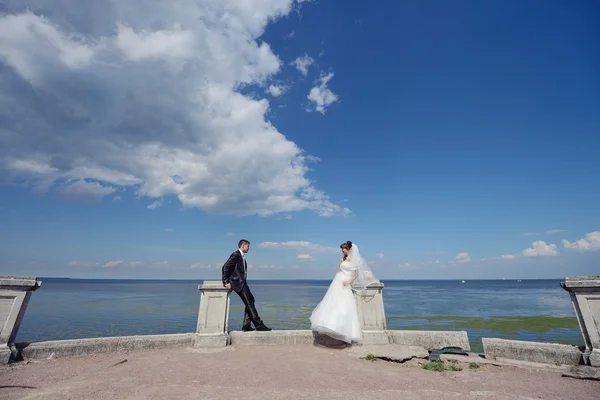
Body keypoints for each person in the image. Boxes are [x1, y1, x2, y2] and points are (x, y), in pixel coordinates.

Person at [309, 241, 378, 344]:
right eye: (342, 249)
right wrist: (333, 283)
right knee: (333, 303)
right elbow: (338, 271)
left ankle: (344, 329)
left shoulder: (355, 261)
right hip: (338, 282)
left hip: (346, 283)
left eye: (344, 249)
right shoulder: (341, 259)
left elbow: (356, 274)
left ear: (348, 249)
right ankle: (331, 325)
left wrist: (349, 281)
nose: (342, 250)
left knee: (344, 306)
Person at [222, 239, 272, 332]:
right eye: (248, 246)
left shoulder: (241, 256)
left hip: (242, 282)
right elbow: (225, 267)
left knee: (250, 301)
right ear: (243, 245)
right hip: (238, 283)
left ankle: (247, 325)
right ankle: (258, 325)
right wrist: (225, 282)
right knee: (249, 302)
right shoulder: (236, 255)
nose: (249, 248)